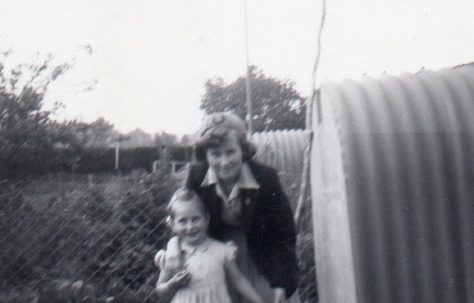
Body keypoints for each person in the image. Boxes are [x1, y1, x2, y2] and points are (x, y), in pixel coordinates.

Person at [168, 112, 300, 303]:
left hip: (261, 252)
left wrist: (281, 282)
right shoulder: (196, 176)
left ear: (243, 150)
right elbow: (181, 213)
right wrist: (173, 245)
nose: (224, 162)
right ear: (205, 156)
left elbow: (283, 233)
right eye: (215, 154)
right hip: (216, 253)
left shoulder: (265, 177)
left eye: (230, 152)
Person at [155, 188, 263, 303]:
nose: (190, 227)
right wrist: (173, 284)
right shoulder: (173, 257)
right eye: (183, 221)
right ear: (172, 225)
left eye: (195, 219)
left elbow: (239, 281)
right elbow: (160, 291)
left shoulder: (222, 250)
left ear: (206, 219)